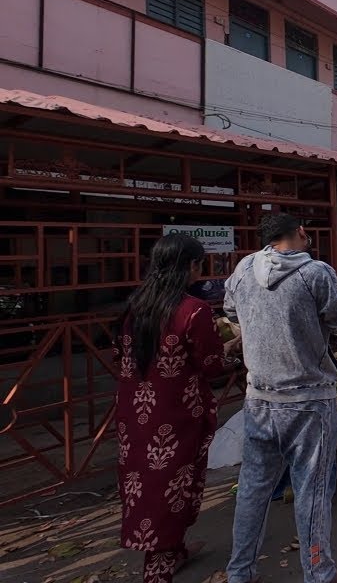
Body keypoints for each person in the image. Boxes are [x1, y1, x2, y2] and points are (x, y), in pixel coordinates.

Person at [223, 214, 337, 583]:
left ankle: (239, 573)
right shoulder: (316, 273)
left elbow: (231, 311)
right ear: (301, 232)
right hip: (309, 399)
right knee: (312, 490)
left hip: (259, 398)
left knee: (253, 489)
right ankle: (319, 574)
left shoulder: (244, 269)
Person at [115, 233, 236, 583]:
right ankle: (158, 568)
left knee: (145, 482)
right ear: (191, 266)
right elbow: (210, 364)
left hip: (135, 413)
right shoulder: (194, 310)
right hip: (178, 413)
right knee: (173, 486)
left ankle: (174, 549)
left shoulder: (134, 306)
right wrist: (233, 347)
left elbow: (120, 355)